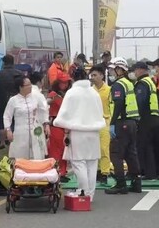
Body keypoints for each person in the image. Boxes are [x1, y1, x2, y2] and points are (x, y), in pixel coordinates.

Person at [54, 68, 105, 201]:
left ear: (73, 79)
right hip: (94, 132)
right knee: (92, 164)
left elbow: (64, 115)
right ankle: (90, 195)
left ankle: (84, 191)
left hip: (77, 131)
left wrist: (65, 128)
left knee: (78, 162)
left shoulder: (72, 93)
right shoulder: (94, 93)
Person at [104, 57, 142, 194]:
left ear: (119, 69)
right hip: (132, 123)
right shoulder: (129, 83)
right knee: (131, 154)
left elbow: (119, 104)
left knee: (116, 154)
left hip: (122, 123)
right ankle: (136, 182)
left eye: (113, 69)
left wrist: (113, 123)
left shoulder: (118, 85)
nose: (111, 72)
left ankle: (121, 184)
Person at [4, 75, 49, 160]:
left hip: (35, 130)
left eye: (30, 84)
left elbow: (43, 110)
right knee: (21, 156)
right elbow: (7, 116)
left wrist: (46, 124)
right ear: (20, 87)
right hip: (20, 132)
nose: (30, 87)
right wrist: (8, 130)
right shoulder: (13, 100)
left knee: (37, 155)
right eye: (27, 85)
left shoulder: (36, 97)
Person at [133, 61, 159, 179]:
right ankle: (151, 172)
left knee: (143, 147)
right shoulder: (150, 81)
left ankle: (147, 173)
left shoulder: (142, 84)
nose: (134, 72)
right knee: (149, 146)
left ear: (141, 70)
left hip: (146, 118)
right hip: (153, 117)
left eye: (135, 70)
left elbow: (140, 101)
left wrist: (135, 116)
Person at [0, 54, 23, 149]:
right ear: (13, 62)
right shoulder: (19, 73)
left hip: (2, 101)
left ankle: (2, 142)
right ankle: (15, 140)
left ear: (3, 63)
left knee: (2, 121)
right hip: (18, 101)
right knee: (17, 121)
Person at [89, 65, 112, 185]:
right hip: (92, 123)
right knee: (94, 149)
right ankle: (96, 171)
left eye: (95, 75)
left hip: (105, 121)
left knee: (104, 148)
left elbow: (111, 106)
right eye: (91, 75)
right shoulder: (90, 91)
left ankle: (104, 172)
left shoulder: (109, 90)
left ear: (102, 76)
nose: (93, 77)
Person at [47, 74, 71, 182]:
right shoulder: (53, 94)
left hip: (66, 125)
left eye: (66, 82)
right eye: (62, 82)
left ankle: (63, 172)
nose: (64, 84)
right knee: (55, 150)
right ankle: (56, 172)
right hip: (55, 125)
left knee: (65, 149)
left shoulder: (69, 94)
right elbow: (45, 104)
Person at [30, 71, 50, 158]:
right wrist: (46, 124)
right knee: (38, 149)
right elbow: (45, 110)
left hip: (24, 126)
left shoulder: (25, 93)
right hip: (37, 125)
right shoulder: (39, 95)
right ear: (39, 82)